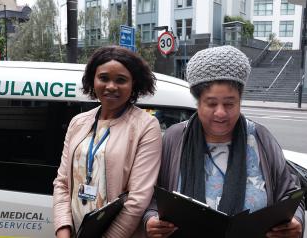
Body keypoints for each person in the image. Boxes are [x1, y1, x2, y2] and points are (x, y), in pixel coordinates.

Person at [143, 45, 305, 238]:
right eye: (211, 103)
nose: (220, 112)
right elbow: (152, 195)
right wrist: (151, 219)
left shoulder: (261, 138)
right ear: (198, 102)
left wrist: (296, 220)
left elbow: (290, 192)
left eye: (229, 103)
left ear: (240, 101)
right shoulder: (174, 138)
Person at [53, 45, 162, 238]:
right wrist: (63, 230)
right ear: (93, 80)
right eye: (104, 78)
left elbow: (137, 200)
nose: (111, 86)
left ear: (133, 84)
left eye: (121, 80)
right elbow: (62, 183)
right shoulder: (78, 123)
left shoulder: (146, 126)